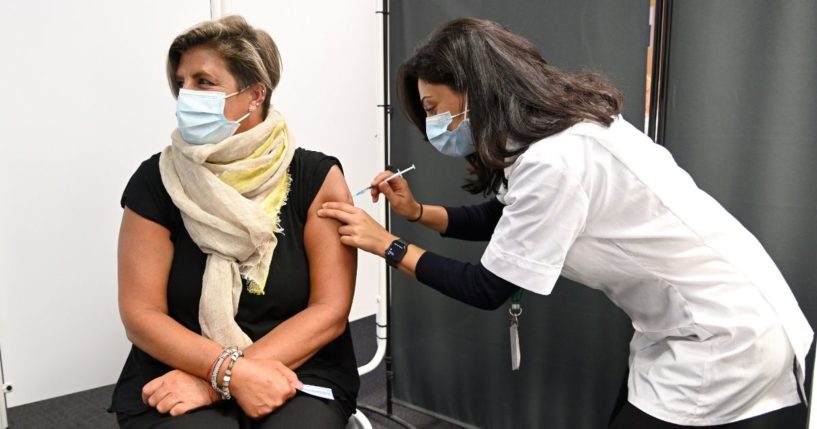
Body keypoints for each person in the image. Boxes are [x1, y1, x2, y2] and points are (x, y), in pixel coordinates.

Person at [317, 17, 813, 428]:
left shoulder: (555, 159)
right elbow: (507, 216)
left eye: (433, 109)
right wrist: (418, 214)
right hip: (682, 322)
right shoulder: (554, 137)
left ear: (476, 91)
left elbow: (487, 287)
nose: (431, 127)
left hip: (722, 332)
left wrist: (387, 245)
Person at [110, 15, 359, 428]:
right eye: (181, 82)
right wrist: (227, 373)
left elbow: (329, 309)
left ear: (255, 94)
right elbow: (141, 313)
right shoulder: (156, 181)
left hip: (300, 366)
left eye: (204, 82)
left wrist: (217, 382)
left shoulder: (316, 178)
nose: (186, 94)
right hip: (179, 368)